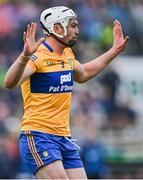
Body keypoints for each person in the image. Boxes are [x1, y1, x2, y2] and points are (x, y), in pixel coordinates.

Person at [4, 6, 129, 179]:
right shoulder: (38, 56)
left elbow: (83, 73)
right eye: (71, 26)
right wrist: (24, 56)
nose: (76, 31)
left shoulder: (67, 54)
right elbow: (9, 82)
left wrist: (114, 50)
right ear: (56, 28)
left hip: (63, 137)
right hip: (39, 136)